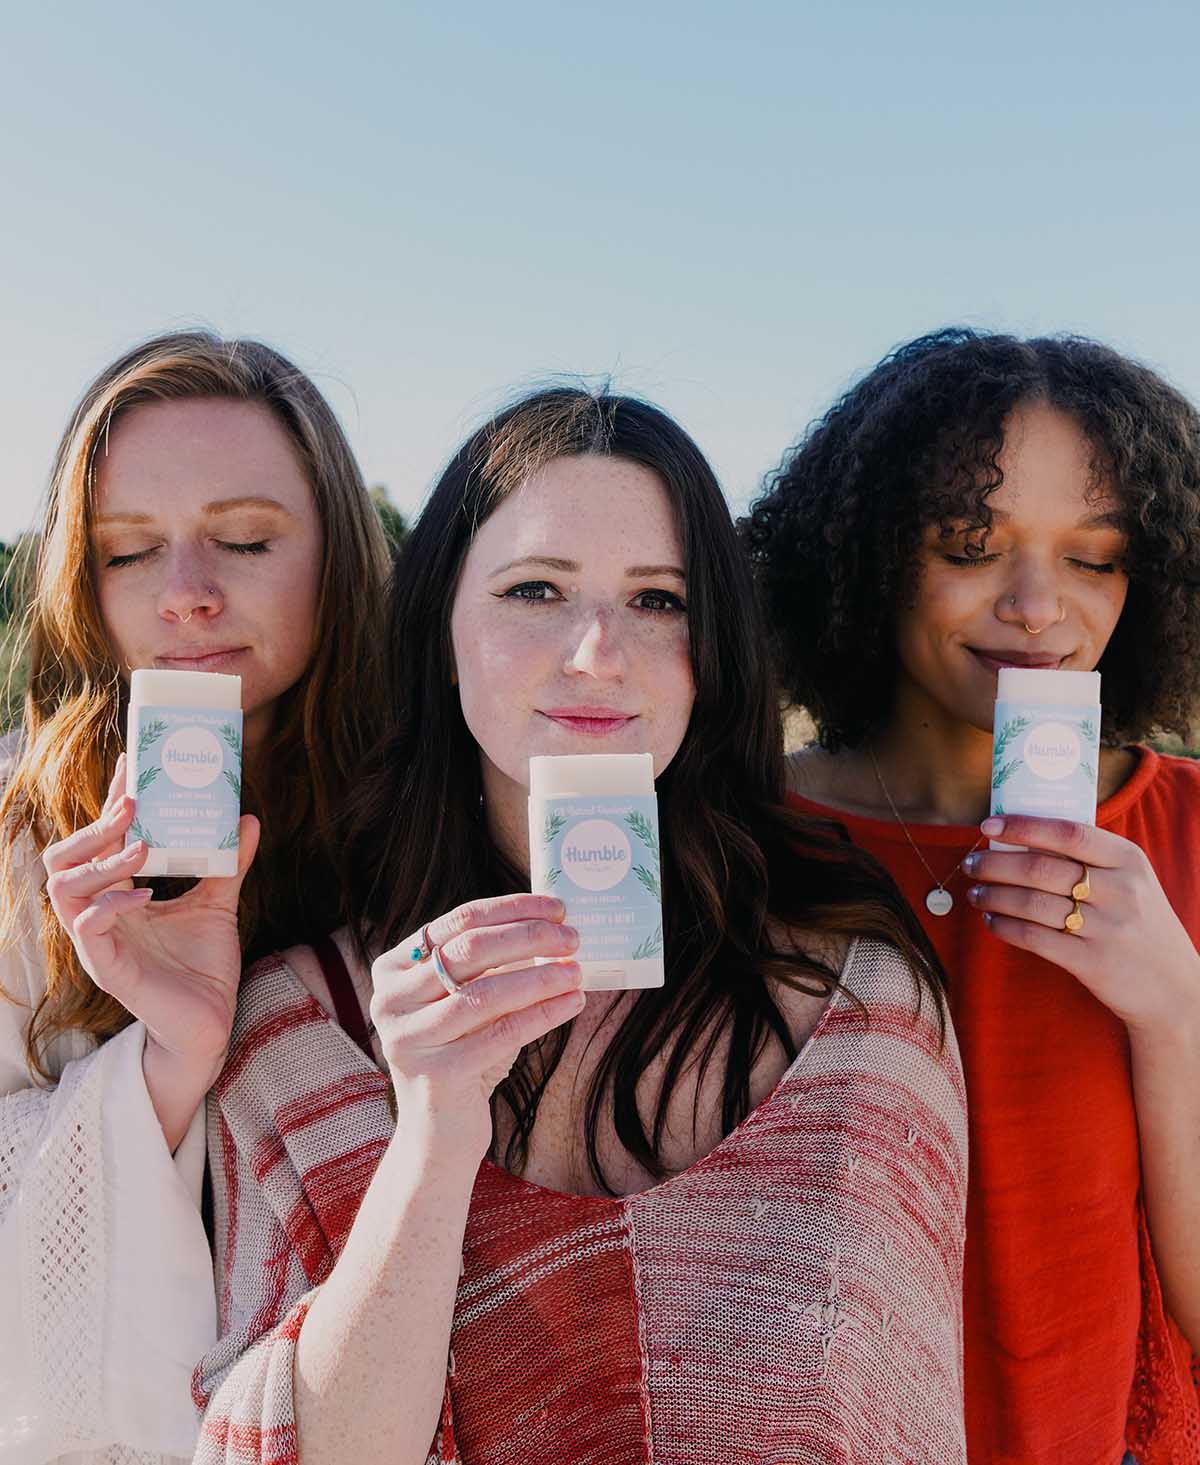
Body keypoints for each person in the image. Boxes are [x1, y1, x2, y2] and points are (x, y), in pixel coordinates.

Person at [193, 387, 969, 1465]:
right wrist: (431, 1136)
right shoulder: (299, 1033)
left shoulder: (861, 1007)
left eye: (659, 600)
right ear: (443, 635)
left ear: (716, 653)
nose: (598, 650)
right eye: (536, 588)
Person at [743, 327, 1200, 1465]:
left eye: (1094, 557)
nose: (1039, 605)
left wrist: (1178, 1009)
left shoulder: (1189, 831)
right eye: (969, 545)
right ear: (862, 558)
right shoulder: (733, 844)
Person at [0, 330, 390, 1465]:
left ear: (338, 557)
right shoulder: (22, 843)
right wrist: (164, 1070)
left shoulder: (437, 824)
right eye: (130, 553)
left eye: (245, 539)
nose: (187, 595)